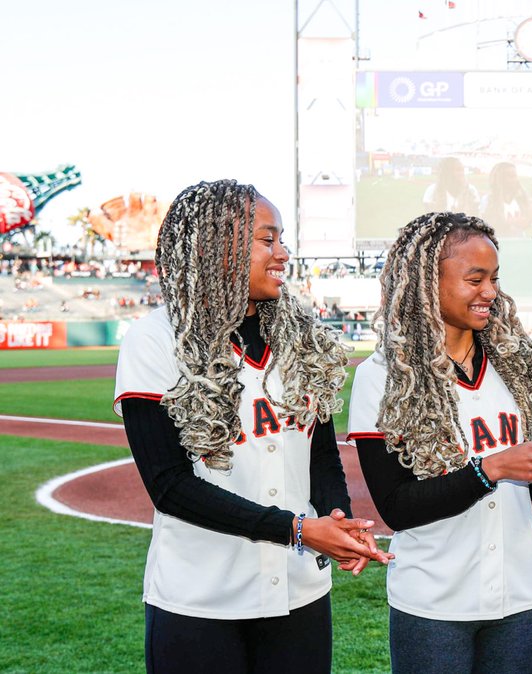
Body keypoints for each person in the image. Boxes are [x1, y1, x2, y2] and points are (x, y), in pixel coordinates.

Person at [114, 179, 391, 674]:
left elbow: (320, 453)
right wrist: (299, 530)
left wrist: (337, 517)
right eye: (268, 239)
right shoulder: (156, 339)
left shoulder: (301, 335)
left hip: (299, 592)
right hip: (201, 601)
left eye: (282, 238)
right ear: (217, 246)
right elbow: (169, 486)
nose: (284, 252)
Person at [348, 211, 532, 674]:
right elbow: (397, 506)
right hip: (434, 601)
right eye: (474, 279)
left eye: (494, 278)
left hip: (521, 594)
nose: (490, 293)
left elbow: (520, 476)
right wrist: (492, 467)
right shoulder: (383, 376)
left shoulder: (509, 362)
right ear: (424, 282)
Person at [480, 161, 532, 237]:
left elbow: (528, 219)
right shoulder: (488, 200)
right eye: (511, 176)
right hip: (497, 243)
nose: (515, 179)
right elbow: (485, 226)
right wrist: (507, 225)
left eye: (515, 176)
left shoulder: (520, 198)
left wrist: (526, 221)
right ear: (500, 179)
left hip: (519, 242)